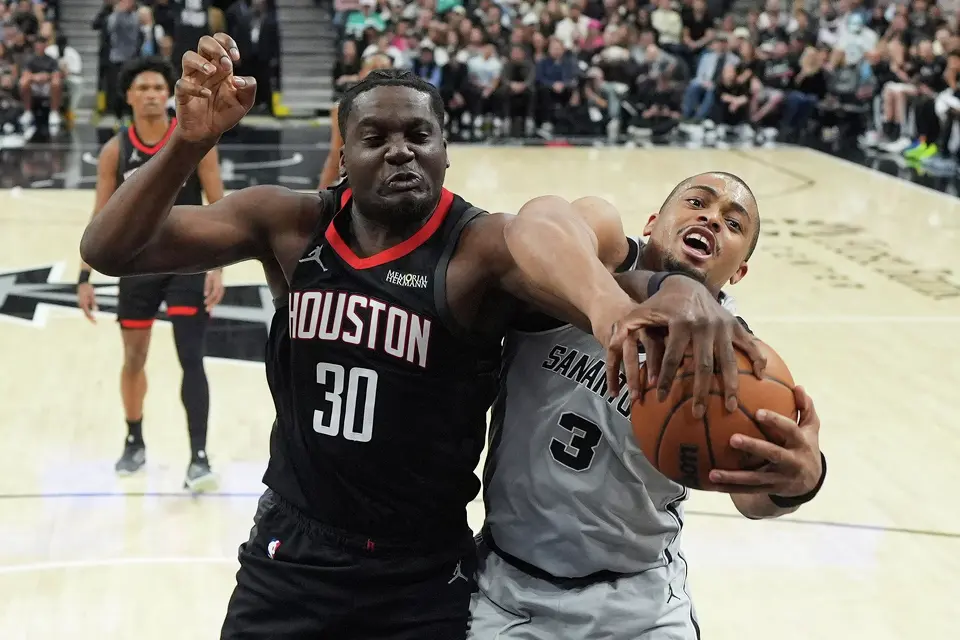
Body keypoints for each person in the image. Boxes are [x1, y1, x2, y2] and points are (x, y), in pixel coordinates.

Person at [79, 34, 764, 639]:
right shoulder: (287, 224)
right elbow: (110, 249)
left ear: (445, 151)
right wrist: (188, 142)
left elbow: (606, 261)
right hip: (292, 551)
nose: (400, 150)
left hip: (420, 573)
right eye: (376, 138)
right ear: (344, 155)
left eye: (418, 135)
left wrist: (680, 287)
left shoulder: (481, 250)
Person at [469, 173, 828, 640]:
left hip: (638, 606)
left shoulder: (739, 361)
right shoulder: (593, 257)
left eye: (733, 223)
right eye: (697, 202)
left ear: (738, 272)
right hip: (508, 590)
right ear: (653, 223)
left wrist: (800, 480)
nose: (712, 218)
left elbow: (751, 497)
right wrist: (617, 307)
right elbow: (534, 224)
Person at [77, 56, 226, 491]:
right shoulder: (116, 149)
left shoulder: (194, 139)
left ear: (171, 93)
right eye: (142, 88)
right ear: (128, 96)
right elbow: (100, 216)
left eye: (158, 87)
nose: (151, 94)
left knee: (191, 357)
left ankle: (198, 457)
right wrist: (85, 277)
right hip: (136, 265)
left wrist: (218, 266)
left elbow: (219, 208)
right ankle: (134, 439)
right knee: (134, 358)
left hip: (186, 261)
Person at [318, 53, 393, 190]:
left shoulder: (399, 106)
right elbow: (335, 154)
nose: (380, 72)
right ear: (362, 73)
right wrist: (322, 196)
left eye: (384, 69)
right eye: (374, 68)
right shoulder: (344, 108)